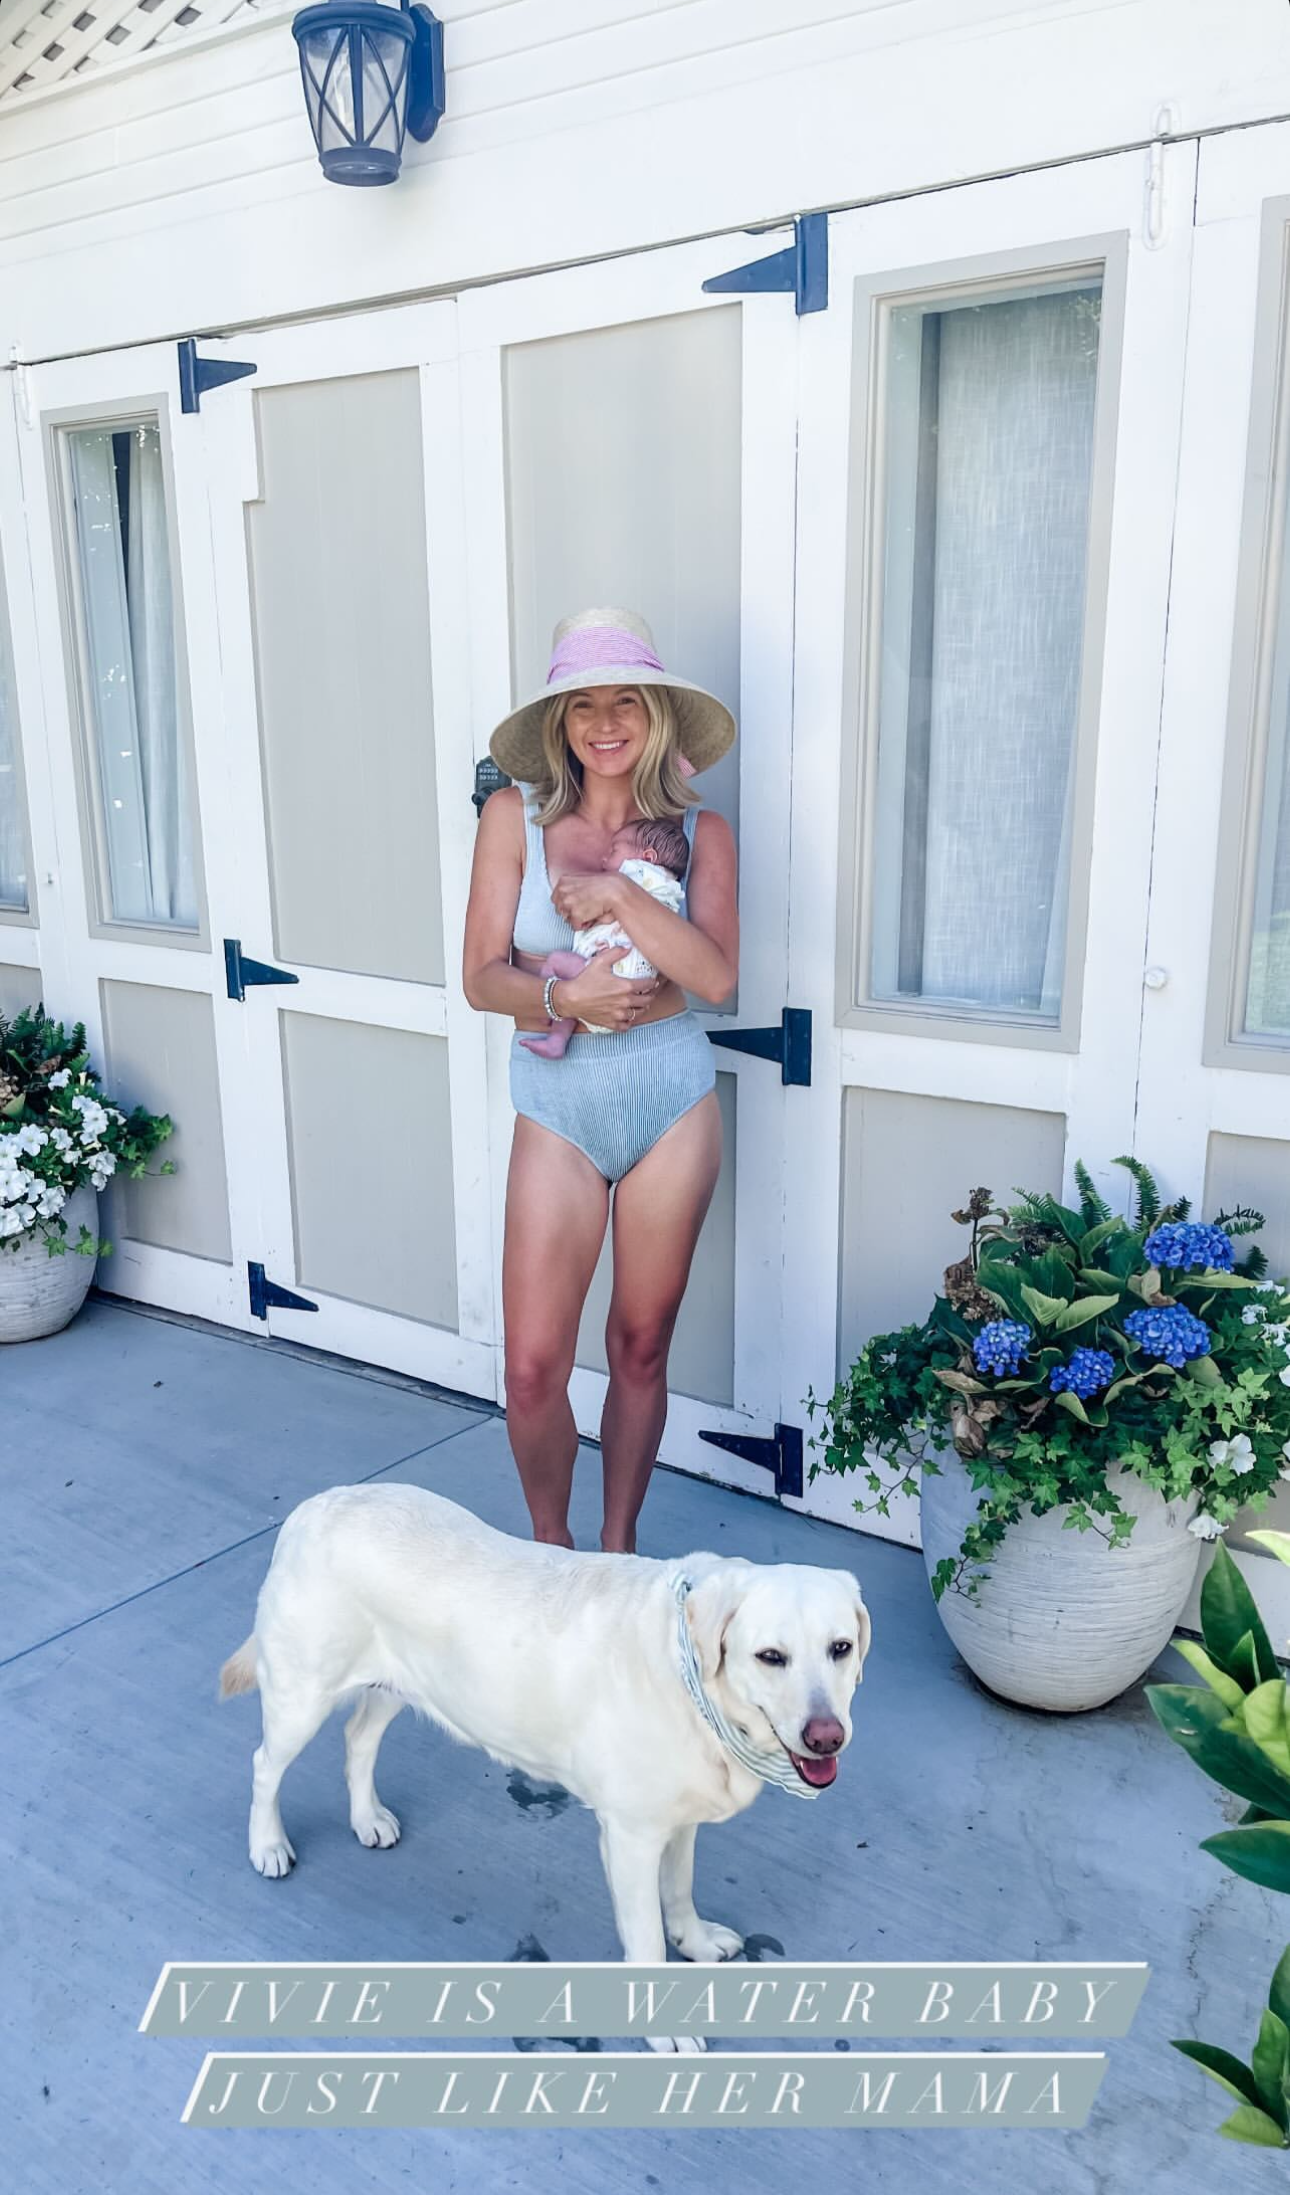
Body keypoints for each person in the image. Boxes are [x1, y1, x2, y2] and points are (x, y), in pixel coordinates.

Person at [462, 606, 739, 1554]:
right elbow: (480, 978)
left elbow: (713, 977)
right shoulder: (514, 818)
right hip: (558, 1107)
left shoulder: (704, 831)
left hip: (670, 1104)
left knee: (640, 1346)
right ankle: (554, 1550)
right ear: (561, 721)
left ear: (656, 714)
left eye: (626, 700)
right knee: (535, 1366)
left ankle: (618, 1551)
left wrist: (621, 892)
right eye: (584, 704)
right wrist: (564, 1000)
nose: (605, 721)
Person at [516, 813, 690, 1056]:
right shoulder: (670, 890)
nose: (605, 857)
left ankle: (554, 1026)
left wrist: (598, 903)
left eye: (615, 850)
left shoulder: (638, 876)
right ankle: (559, 1024)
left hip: (614, 974)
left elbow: (601, 914)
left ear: (647, 857)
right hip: (633, 988)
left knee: (557, 962)